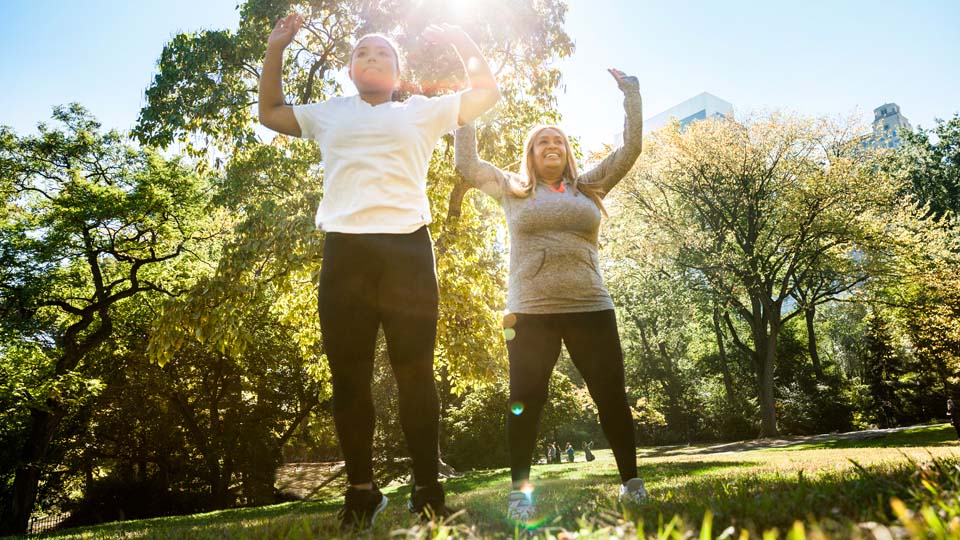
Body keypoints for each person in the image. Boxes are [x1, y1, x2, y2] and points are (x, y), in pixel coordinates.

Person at [258, 13, 500, 531]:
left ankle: (427, 488)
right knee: (348, 379)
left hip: (407, 250)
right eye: (363, 53)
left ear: (398, 71)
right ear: (350, 68)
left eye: (384, 54)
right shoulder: (328, 114)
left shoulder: (422, 111)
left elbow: (484, 91)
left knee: (415, 372)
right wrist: (276, 49)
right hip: (344, 253)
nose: (372, 58)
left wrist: (460, 37)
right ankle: (361, 491)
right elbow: (271, 112)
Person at [454, 68, 647, 522]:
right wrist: (466, 105)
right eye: (543, 142)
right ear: (531, 153)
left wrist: (632, 95)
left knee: (611, 397)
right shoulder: (511, 189)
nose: (552, 147)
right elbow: (466, 164)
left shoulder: (590, 187)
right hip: (531, 313)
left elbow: (630, 149)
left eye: (558, 141)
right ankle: (520, 493)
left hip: (590, 307)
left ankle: (632, 484)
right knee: (525, 400)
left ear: (567, 151)